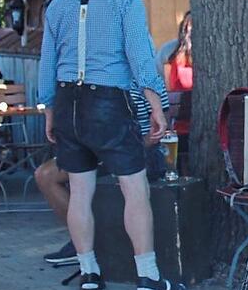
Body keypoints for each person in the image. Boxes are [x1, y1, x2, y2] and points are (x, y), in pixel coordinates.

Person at [38, 0, 184, 290]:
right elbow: (139, 55)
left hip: (69, 101)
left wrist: (49, 110)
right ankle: (148, 277)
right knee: (134, 189)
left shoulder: (59, 4)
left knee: (80, 191)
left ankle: (89, 273)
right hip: (108, 102)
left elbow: (47, 63)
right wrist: (156, 105)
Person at [40, 87, 170, 265]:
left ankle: (137, 262)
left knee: (69, 177)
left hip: (135, 152)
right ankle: (82, 242)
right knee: (45, 174)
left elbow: (159, 131)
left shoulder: (147, 80)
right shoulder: (93, 78)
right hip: (97, 148)